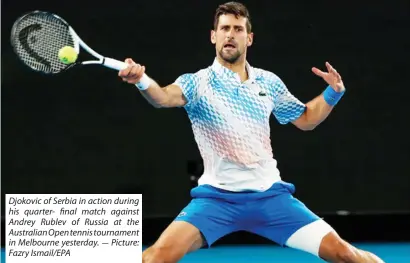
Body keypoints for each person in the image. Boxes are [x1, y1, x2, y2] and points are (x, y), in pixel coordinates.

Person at [118, 2, 384, 263]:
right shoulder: (197, 82)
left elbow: (305, 119)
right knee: (156, 258)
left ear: (249, 38)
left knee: (345, 254)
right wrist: (141, 80)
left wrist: (333, 93)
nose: (230, 34)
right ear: (214, 36)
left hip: (271, 197)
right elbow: (162, 97)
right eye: (224, 29)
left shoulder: (268, 82)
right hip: (216, 200)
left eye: (237, 29)